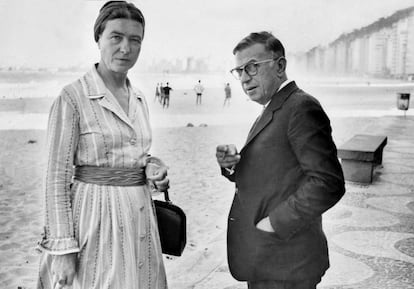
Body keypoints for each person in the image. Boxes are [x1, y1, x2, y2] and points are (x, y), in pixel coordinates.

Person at [36, 2, 169, 288]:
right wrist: (63, 250)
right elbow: (55, 178)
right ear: (98, 38)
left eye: (135, 40)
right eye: (116, 37)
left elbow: (136, 154)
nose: (126, 48)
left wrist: (152, 167)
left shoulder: (139, 98)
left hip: (141, 219)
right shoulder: (72, 97)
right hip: (95, 221)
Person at [215, 31, 345, 289]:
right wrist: (232, 164)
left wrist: (274, 223)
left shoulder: (301, 107)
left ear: (280, 65)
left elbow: (328, 183)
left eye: (251, 67)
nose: (243, 78)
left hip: (287, 263)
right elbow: (276, 171)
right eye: (238, 71)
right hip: (269, 259)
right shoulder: (275, 106)